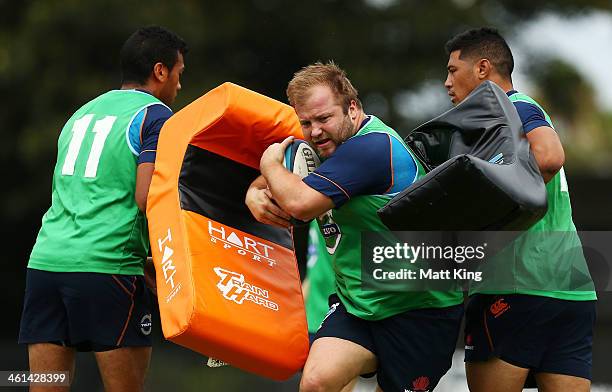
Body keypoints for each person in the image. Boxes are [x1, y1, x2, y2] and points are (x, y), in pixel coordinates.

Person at [246, 62, 464, 392]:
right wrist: (254, 191)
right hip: (359, 306)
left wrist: (268, 164)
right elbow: (277, 177)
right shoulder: (326, 147)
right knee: (317, 382)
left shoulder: (371, 148)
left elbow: (299, 203)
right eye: (305, 122)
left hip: (421, 310)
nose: (315, 131)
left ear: (352, 108)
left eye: (323, 118)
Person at [18, 26, 187, 391]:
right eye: (178, 73)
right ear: (160, 71)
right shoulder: (157, 116)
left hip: (46, 264)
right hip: (107, 267)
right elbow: (148, 196)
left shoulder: (81, 114)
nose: (179, 85)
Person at [444, 27, 597, 392]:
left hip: (515, 288)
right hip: (572, 290)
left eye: (452, 70)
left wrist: (483, 215)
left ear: (482, 69)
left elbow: (549, 158)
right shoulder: (497, 123)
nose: (446, 82)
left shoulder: (510, 105)